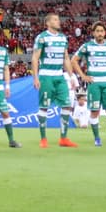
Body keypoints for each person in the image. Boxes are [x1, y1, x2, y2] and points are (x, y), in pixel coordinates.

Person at [74, 22, 106, 146]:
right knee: (95, 112)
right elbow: (74, 60)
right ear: (93, 33)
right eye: (97, 31)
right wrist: (83, 76)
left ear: (105, 33)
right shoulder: (87, 46)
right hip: (94, 84)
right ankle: (97, 139)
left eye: (102, 31)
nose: (100, 33)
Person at [31, 12, 76, 148]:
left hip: (60, 76)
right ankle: (43, 139)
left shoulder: (63, 38)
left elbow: (66, 58)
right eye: (55, 20)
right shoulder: (42, 38)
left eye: (58, 19)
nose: (58, 22)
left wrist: (71, 76)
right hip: (46, 76)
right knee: (44, 106)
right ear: (48, 23)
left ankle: (63, 138)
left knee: (67, 105)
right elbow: (35, 58)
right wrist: (36, 77)